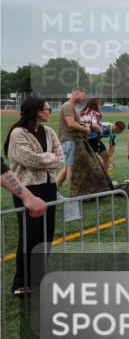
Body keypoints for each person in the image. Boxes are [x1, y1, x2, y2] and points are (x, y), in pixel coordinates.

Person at [4, 98, 64, 295]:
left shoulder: (48, 131)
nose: (51, 112)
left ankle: (40, 277)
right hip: (27, 189)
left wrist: (46, 160)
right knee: (30, 236)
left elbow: (61, 158)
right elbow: (28, 159)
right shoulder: (18, 133)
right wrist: (49, 158)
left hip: (49, 186)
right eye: (48, 109)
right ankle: (22, 283)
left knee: (46, 235)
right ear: (38, 111)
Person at [54, 86, 90, 190]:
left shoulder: (73, 107)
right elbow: (71, 124)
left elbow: (75, 123)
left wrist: (83, 125)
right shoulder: (68, 106)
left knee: (68, 168)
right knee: (71, 168)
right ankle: (73, 194)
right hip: (68, 140)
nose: (84, 98)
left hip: (70, 140)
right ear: (76, 94)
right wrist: (86, 130)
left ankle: (54, 189)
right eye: (83, 96)